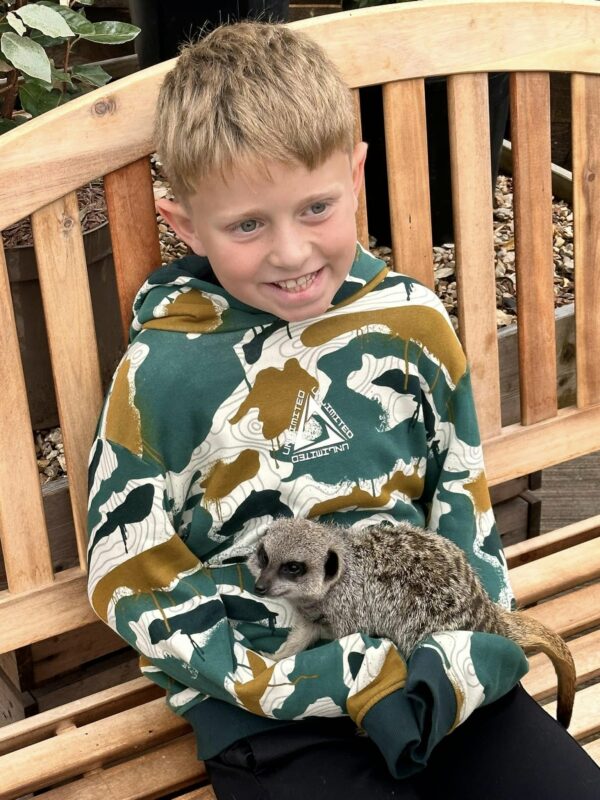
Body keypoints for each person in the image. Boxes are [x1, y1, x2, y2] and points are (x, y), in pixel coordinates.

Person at [87, 21, 600, 799]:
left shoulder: (411, 323)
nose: (291, 253)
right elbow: (128, 568)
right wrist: (298, 668)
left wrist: (465, 641)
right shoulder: (161, 375)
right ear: (185, 224)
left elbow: (460, 495)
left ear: (357, 177)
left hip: (435, 668)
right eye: (248, 225)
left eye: (317, 208)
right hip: (270, 699)